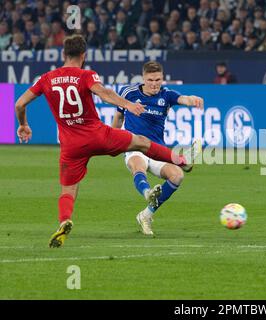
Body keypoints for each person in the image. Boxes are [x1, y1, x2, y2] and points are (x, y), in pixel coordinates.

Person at [15, 35, 195, 248]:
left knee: (68, 189)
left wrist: (24, 124)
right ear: (84, 56)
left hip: (70, 145)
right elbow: (103, 93)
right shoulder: (86, 75)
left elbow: (19, 104)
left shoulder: (45, 78)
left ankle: (64, 220)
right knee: (142, 142)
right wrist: (127, 104)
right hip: (97, 135)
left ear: (63, 54)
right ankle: (181, 159)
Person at [111, 61, 203, 236]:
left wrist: (193, 100)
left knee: (177, 176)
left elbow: (183, 99)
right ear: (143, 78)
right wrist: (111, 140)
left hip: (157, 150)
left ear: (162, 78)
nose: (154, 83)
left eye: (158, 79)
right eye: (150, 79)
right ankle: (147, 192)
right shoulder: (128, 93)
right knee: (138, 165)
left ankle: (146, 215)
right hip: (134, 146)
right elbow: (118, 117)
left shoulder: (166, 95)